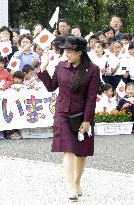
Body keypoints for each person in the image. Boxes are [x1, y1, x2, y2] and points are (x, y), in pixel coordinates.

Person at [36, 36, 100, 201]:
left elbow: (91, 97)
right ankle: (71, 186)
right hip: (63, 113)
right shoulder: (60, 66)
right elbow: (51, 86)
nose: (67, 55)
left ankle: (77, 182)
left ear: (80, 53)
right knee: (69, 149)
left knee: (82, 152)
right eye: (65, 51)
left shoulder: (93, 70)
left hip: (82, 115)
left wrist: (87, 120)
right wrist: (43, 68)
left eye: (70, 52)